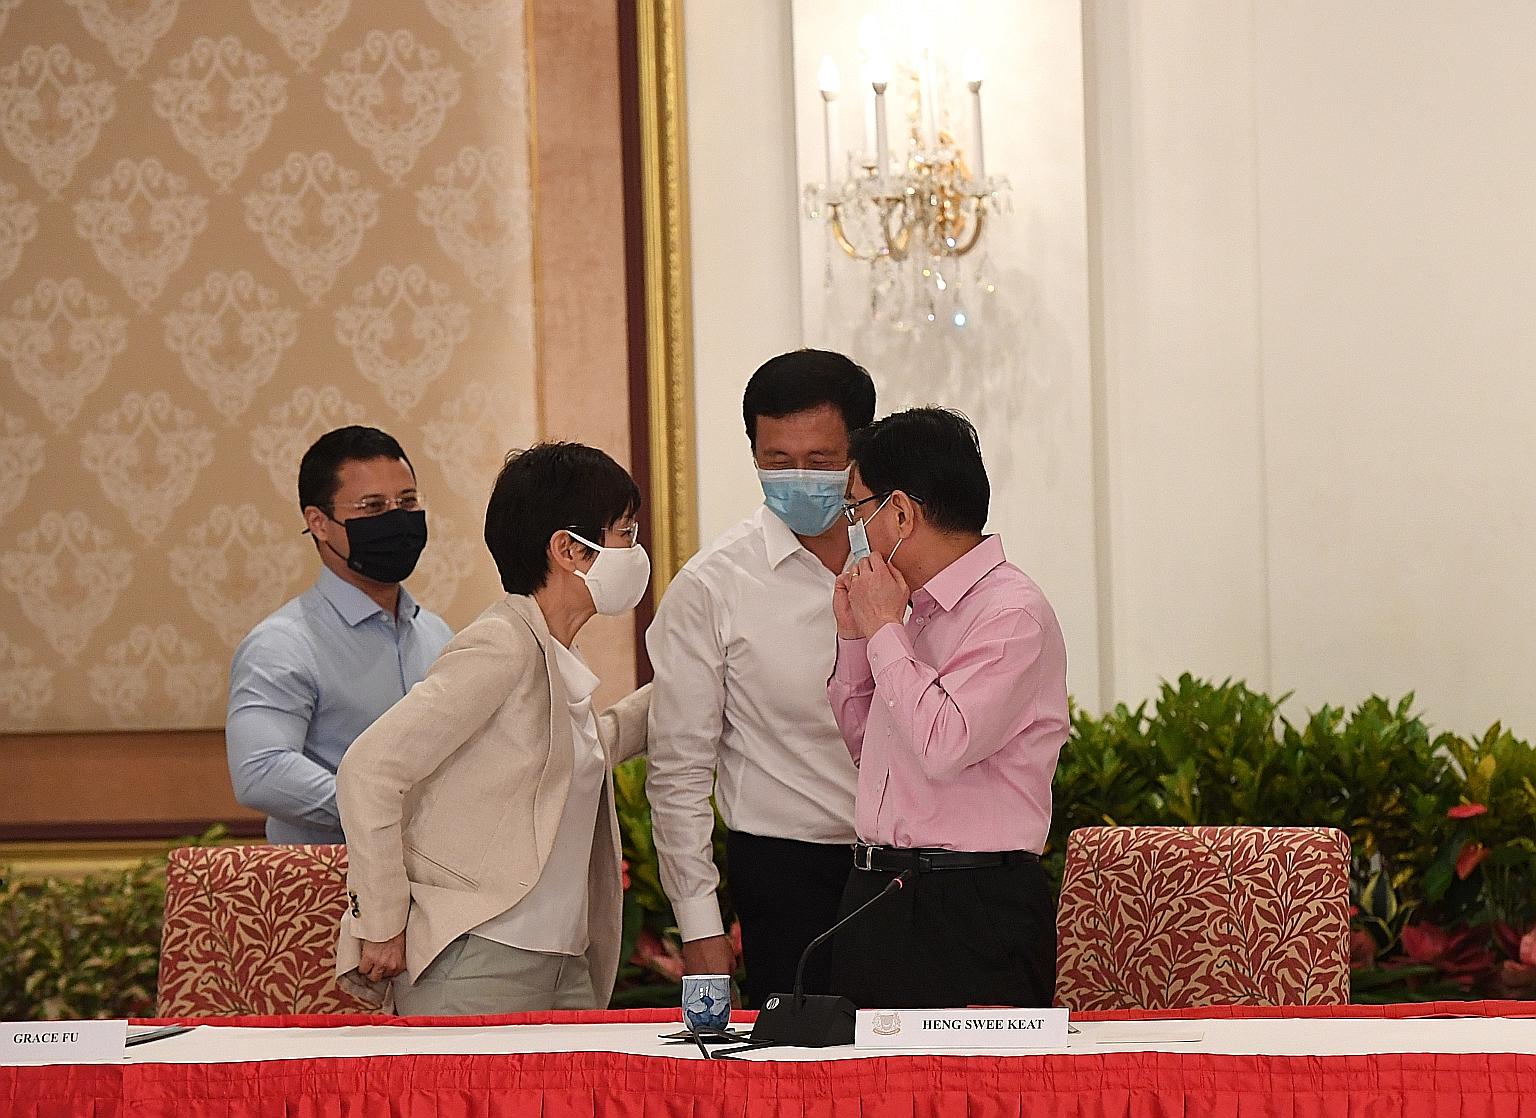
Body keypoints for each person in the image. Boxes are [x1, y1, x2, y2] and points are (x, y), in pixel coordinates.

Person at [335, 442, 651, 1014]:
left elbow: (569, 755)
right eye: (625, 533)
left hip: (565, 961)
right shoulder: (502, 643)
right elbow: (369, 769)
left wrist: (684, 690)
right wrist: (380, 920)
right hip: (480, 960)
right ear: (567, 549)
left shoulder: (549, 648)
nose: (636, 550)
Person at [646, 349, 875, 1007]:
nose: (798, 477)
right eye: (777, 461)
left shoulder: (901, 558)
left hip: (911, 871)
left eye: (821, 461)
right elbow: (679, 769)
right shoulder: (714, 584)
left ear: (858, 455)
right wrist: (700, 928)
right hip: (787, 874)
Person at [827, 407, 1068, 1009]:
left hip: (971, 906)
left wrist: (884, 627)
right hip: (878, 891)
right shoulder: (919, 612)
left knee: (977, 1101)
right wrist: (859, 637)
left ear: (902, 512)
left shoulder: (1010, 613)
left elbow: (942, 745)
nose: (855, 528)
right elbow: (868, 748)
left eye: (859, 509)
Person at [227, 426, 453, 844]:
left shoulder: (437, 634)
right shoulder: (281, 645)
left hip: (436, 886)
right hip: (329, 890)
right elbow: (261, 770)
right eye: (372, 507)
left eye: (407, 502)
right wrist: (383, 812)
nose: (397, 519)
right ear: (320, 523)